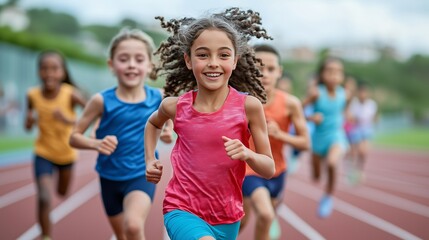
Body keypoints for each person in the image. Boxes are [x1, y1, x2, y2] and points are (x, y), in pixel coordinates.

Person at [144, 8, 275, 240]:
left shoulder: (249, 107)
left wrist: (247, 153)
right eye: (203, 55)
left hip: (227, 217)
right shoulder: (175, 107)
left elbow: (268, 168)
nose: (213, 63)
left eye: (223, 55)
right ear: (188, 60)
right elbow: (153, 124)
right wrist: (150, 159)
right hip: (181, 208)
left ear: (234, 61)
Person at [69, 28, 173, 240]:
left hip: (140, 174)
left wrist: (168, 131)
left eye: (139, 59)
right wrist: (96, 144)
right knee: (122, 235)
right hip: (109, 177)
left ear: (149, 65)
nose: (131, 64)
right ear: (111, 65)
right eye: (124, 59)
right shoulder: (101, 101)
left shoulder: (160, 98)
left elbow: (169, 120)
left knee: (133, 226)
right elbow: (74, 137)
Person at [239, 44, 310, 240]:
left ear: (279, 72)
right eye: (259, 68)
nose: (265, 75)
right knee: (265, 214)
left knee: (249, 221)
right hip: (250, 170)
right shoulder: (240, 101)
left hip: (278, 171)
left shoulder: (290, 103)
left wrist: (280, 135)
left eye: (270, 69)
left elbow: (305, 143)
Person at [24, 50, 87, 240]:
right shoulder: (32, 95)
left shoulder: (70, 94)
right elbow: (27, 127)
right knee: (44, 198)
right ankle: (46, 236)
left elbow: (89, 114)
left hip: (66, 154)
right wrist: (28, 121)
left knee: (61, 192)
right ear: (39, 72)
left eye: (54, 69)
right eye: (44, 69)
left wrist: (67, 119)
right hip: (43, 152)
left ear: (62, 72)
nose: (49, 73)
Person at [303, 56, 351, 218]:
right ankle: (316, 167)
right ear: (322, 74)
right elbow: (299, 111)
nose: (334, 75)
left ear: (342, 76)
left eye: (338, 72)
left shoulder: (345, 94)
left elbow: (346, 108)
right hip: (318, 139)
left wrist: (347, 115)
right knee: (316, 177)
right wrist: (311, 118)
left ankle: (328, 196)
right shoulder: (316, 93)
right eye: (330, 71)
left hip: (336, 136)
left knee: (331, 162)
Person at [347, 82, 378, 184]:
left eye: (365, 92)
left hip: (367, 130)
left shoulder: (372, 104)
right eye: (361, 92)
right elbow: (351, 117)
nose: (363, 94)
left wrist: (374, 121)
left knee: (364, 153)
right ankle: (353, 169)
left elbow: (374, 118)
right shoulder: (354, 104)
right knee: (356, 151)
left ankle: (360, 170)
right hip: (356, 130)